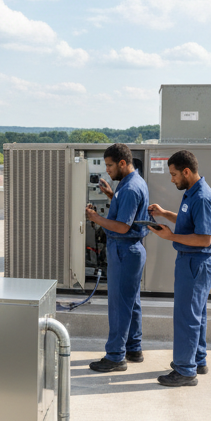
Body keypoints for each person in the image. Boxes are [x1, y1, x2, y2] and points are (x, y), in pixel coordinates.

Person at [147, 149, 211, 388]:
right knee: (196, 315)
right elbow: (190, 220)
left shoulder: (202, 197)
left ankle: (185, 371)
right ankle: (197, 360)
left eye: (174, 174)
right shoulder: (193, 193)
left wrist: (170, 237)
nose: (171, 179)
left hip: (196, 262)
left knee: (186, 316)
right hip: (194, 262)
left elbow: (204, 238)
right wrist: (164, 214)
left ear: (186, 171)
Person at [85, 144, 150, 372]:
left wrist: (95, 217)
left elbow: (122, 227)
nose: (108, 171)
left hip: (124, 249)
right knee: (131, 302)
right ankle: (133, 348)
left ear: (123, 163)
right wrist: (111, 195)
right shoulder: (130, 183)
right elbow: (127, 211)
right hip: (130, 250)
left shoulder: (131, 187)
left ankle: (115, 356)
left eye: (110, 165)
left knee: (119, 305)